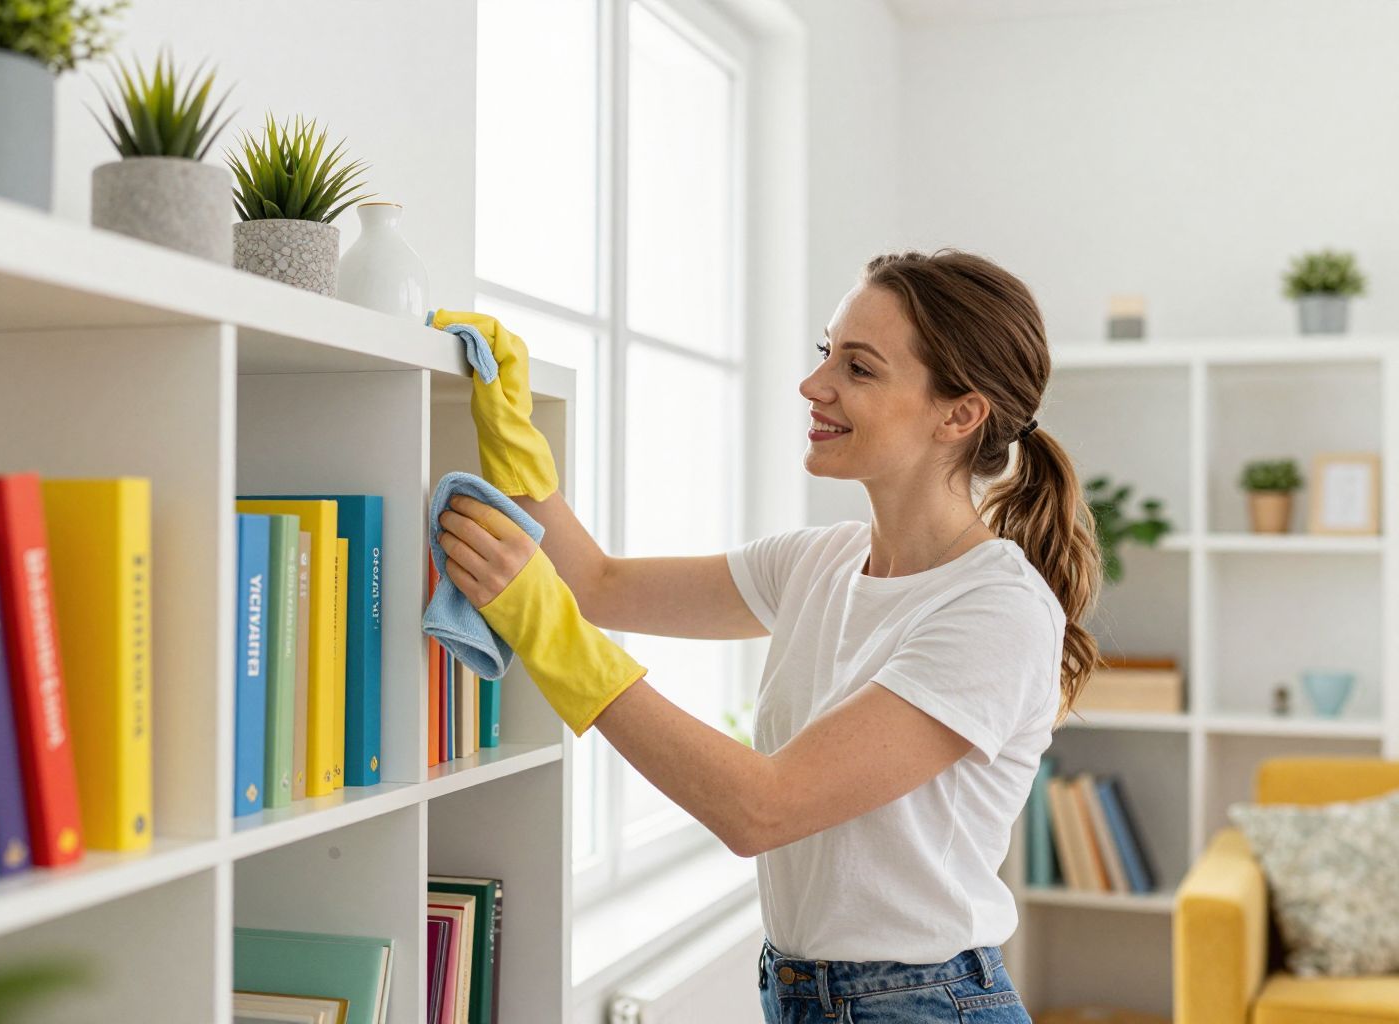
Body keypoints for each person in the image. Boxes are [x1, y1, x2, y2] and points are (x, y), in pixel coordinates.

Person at [432, 248, 1102, 1023]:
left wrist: (549, 632)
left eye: (858, 368)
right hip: (801, 992)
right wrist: (512, 435)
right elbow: (597, 584)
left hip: (923, 1004)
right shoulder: (818, 561)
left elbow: (764, 808)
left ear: (959, 415)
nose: (814, 384)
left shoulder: (995, 609)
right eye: (827, 352)